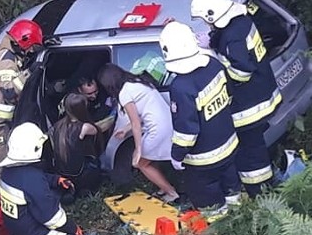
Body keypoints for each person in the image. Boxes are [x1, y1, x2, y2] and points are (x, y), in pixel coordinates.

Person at [191, 0, 282, 196]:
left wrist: (213, 55)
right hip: (262, 90)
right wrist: (213, 41)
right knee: (257, 148)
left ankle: (259, 193)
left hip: (250, 106)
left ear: (212, 15)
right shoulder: (241, 22)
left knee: (251, 154)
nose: (206, 25)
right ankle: (264, 187)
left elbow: (241, 72)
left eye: (206, 20)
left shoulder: (232, 36)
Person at [159, 21, 241, 213]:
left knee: (210, 205)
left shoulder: (181, 87)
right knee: (233, 191)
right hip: (229, 145)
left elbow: (187, 130)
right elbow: (228, 96)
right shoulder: (213, 64)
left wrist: (177, 155)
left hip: (203, 161)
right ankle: (239, 223)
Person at [0, 18, 44, 220]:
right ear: (21, 42)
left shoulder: (7, 51)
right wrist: (32, 71)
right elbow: (10, 92)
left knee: (4, 160)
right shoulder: (5, 58)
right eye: (30, 48)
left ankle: (3, 204)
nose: (31, 52)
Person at [0, 122, 88, 235]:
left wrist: (56, 180)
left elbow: (33, 181)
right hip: (33, 234)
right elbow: (51, 217)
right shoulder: (32, 178)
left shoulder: (8, 171)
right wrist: (72, 228)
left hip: (15, 228)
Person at [96, 63, 179, 202]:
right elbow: (140, 115)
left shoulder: (124, 94)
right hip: (167, 124)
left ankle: (171, 192)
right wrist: (125, 129)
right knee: (151, 158)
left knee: (140, 162)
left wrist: (138, 149)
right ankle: (162, 186)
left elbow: (135, 123)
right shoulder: (138, 81)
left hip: (158, 130)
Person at [48, 93, 104, 199]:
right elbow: (96, 131)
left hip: (61, 171)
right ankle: (87, 187)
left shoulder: (57, 125)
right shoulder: (84, 127)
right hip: (79, 174)